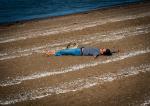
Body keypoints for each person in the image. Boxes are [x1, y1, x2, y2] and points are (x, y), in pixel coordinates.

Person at [46, 46, 119, 58]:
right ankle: (55, 53)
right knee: (65, 51)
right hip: (79, 50)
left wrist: (96, 56)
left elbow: (95, 55)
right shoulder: (98, 50)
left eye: (103, 49)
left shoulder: (97, 53)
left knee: (65, 51)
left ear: (102, 53)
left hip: (78, 52)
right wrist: (115, 51)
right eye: (103, 48)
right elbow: (109, 52)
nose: (102, 48)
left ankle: (54, 53)